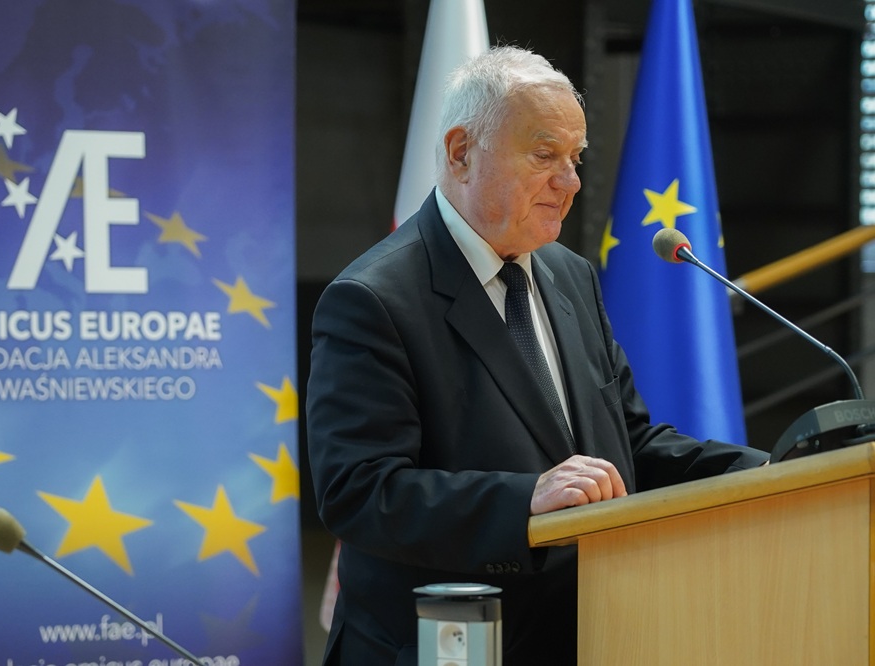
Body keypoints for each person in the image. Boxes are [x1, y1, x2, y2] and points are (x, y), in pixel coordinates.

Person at [305, 45, 768, 666]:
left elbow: (627, 446)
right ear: (461, 152)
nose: (571, 182)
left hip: (588, 635)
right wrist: (525, 498)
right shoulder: (372, 299)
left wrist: (773, 470)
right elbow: (360, 492)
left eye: (576, 159)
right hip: (445, 645)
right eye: (545, 155)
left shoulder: (569, 275)